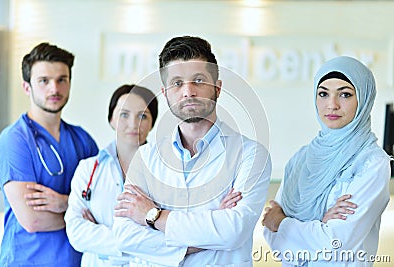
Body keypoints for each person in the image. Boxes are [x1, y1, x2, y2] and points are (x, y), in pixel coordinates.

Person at [112, 35, 271, 266]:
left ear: (217, 88)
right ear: (165, 92)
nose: (188, 92)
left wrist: (153, 216)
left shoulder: (251, 154)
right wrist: (212, 226)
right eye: (177, 83)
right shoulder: (146, 157)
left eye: (198, 80)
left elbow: (234, 231)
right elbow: (125, 235)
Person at [262, 56, 391, 266]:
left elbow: (336, 244)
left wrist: (282, 222)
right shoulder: (301, 159)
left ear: (364, 100)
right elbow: (271, 237)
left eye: (345, 94)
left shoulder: (372, 162)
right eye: (323, 94)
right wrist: (318, 225)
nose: (332, 105)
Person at [0, 42, 99, 266]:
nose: (54, 89)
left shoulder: (83, 140)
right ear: (27, 87)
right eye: (44, 81)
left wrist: (64, 202)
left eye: (62, 79)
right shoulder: (15, 140)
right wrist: (79, 211)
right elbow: (33, 219)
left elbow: (104, 205)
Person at [64, 84, 159, 266]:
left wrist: (100, 236)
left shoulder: (166, 173)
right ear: (111, 120)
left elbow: (171, 233)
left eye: (142, 116)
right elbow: (76, 233)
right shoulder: (88, 169)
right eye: (124, 114)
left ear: (152, 123)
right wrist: (141, 244)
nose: (133, 124)